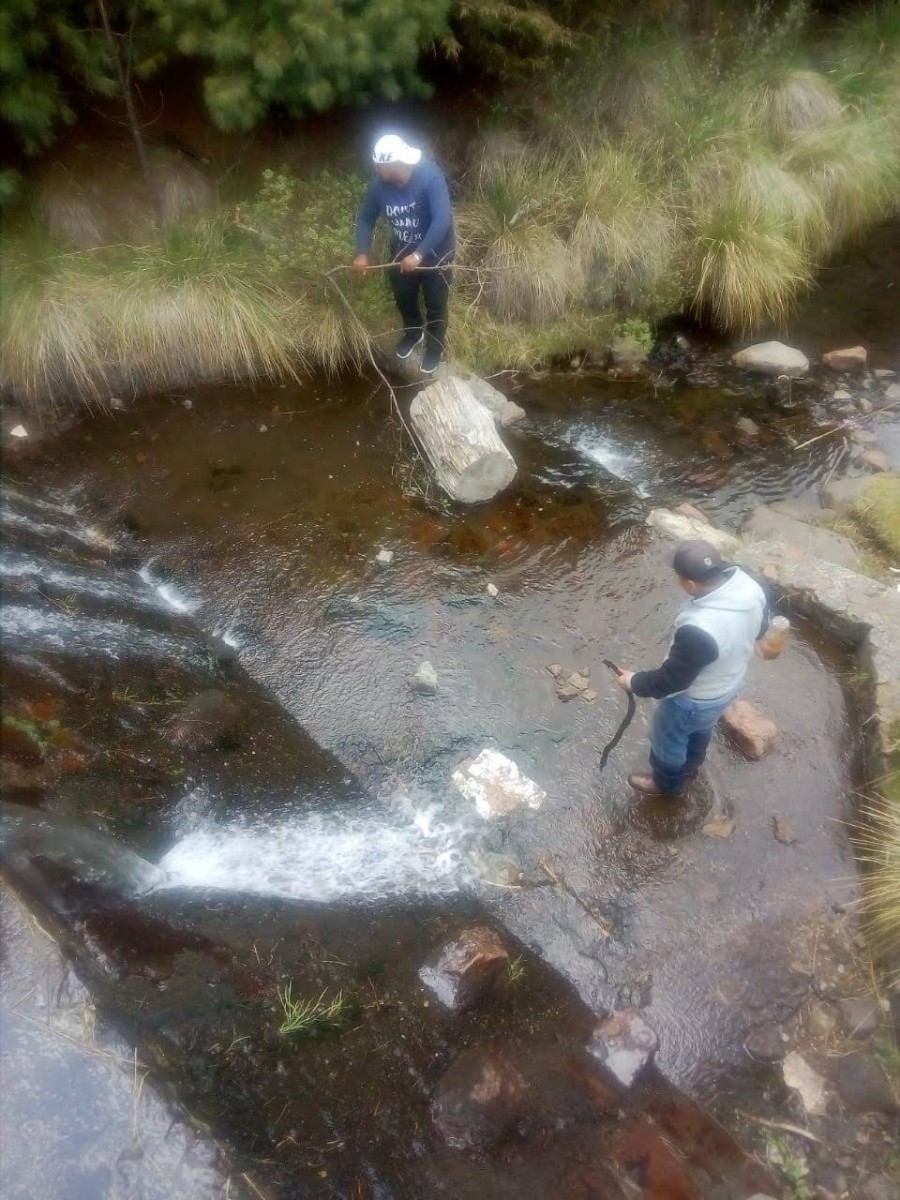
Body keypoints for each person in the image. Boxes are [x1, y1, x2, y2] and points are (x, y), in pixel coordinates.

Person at [615, 540, 770, 797]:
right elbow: (761, 631)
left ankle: (666, 785)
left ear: (690, 584)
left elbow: (672, 681)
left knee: (667, 740)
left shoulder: (699, 629)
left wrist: (633, 681)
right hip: (729, 685)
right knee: (701, 727)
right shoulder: (751, 589)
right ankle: (691, 765)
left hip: (695, 700)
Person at [353, 133, 455, 376]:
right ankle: (413, 332)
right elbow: (366, 219)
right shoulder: (379, 187)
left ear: (395, 164)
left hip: (436, 252)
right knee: (403, 294)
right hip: (402, 251)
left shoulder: (429, 176)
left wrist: (419, 255)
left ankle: (434, 349)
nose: (376, 169)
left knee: (435, 303)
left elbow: (442, 220)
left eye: (380, 165)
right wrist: (362, 253)